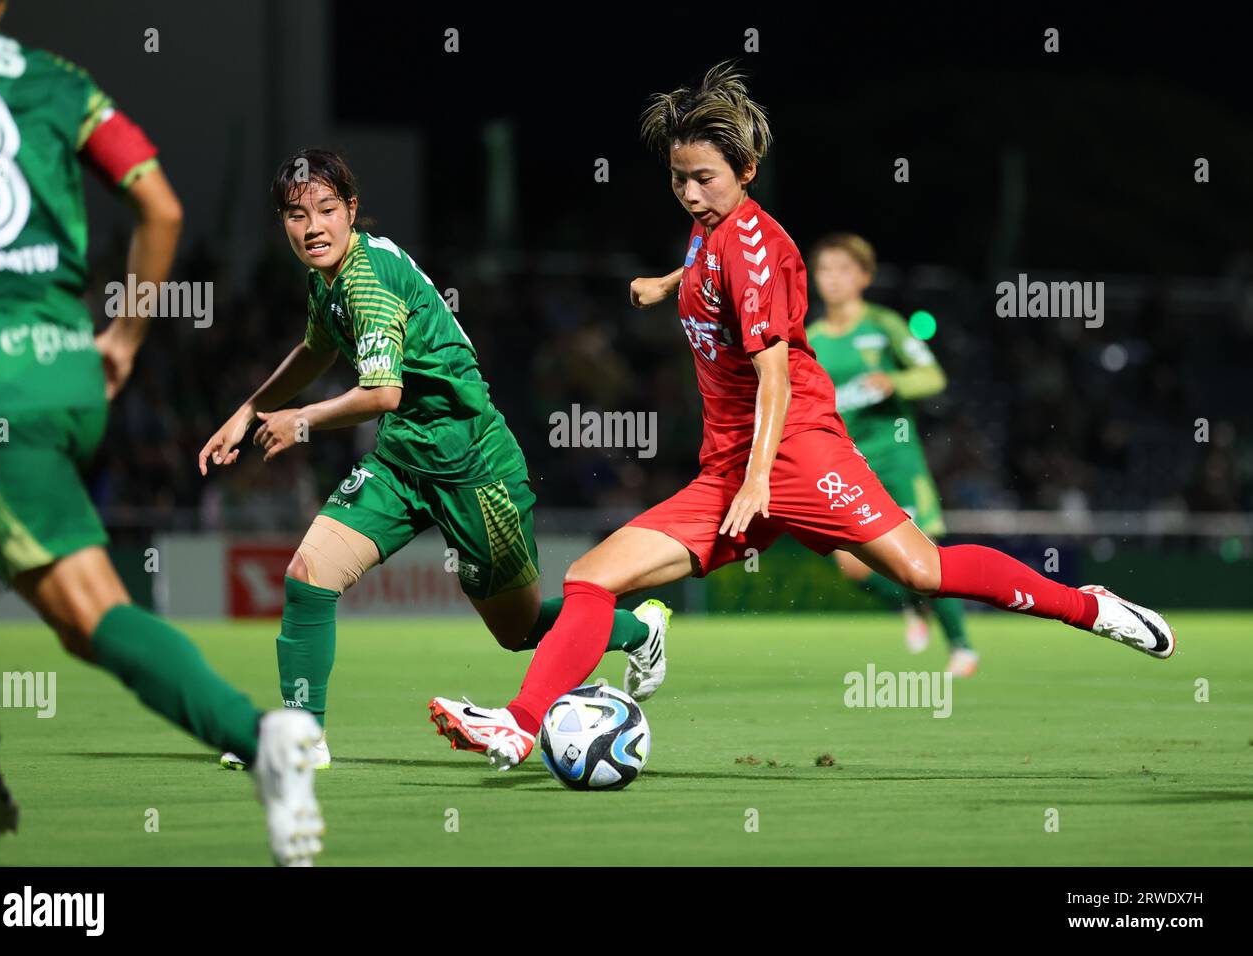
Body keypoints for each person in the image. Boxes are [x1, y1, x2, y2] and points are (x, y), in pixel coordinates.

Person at [427, 62, 1175, 770]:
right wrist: (666, 284)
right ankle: (522, 725)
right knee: (591, 578)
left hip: (797, 455)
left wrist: (758, 483)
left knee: (924, 569)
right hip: (732, 465)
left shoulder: (759, 248)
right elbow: (709, 264)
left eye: (705, 179)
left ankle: (1090, 608)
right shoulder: (711, 229)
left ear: (746, 173)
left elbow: (774, 375)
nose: (689, 193)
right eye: (679, 178)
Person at [0, 0, 322, 865]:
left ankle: (263, 736)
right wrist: (121, 334)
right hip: (63, 371)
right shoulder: (57, 82)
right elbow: (159, 208)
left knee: (86, 616)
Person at [199, 149, 668, 770]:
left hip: (475, 467)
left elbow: (382, 392)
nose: (312, 226)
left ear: (352, 210)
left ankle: (638, 629)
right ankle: (302, 739)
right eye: (295, 214)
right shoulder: (329, 275)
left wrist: (301, 419)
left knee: (519, 632)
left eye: (327, 210)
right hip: (401, 461)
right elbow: (316, 349)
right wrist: (249, 410)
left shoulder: (365, 281)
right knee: (308, 577)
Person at [807, 233, 977, 676]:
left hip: (897, 461)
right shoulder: (810, 340)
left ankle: (962, 647)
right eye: (825, 269)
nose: (834, 279)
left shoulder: (884, 325)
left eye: (845, 269)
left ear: (864, 276)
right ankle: (911, 605)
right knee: (853, 567)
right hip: (845, 467)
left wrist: (895, 383)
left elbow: (932, 376)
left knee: (928, 555)